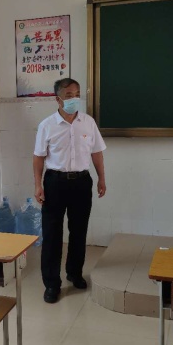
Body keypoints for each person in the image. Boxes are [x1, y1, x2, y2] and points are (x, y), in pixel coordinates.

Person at [33, 78, 106, 304]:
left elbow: (97, 153)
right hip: (55, 182)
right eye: (68, 95)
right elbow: (38, 158)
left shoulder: (88, 123)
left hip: (81, 182)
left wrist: (102, 178)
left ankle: (74, 273)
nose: (74, 99)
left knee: (79, 231)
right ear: (58, 99)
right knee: (52, 234)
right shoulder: (47, 125)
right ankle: (51, 283)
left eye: (76, 94)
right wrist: (38, 185)